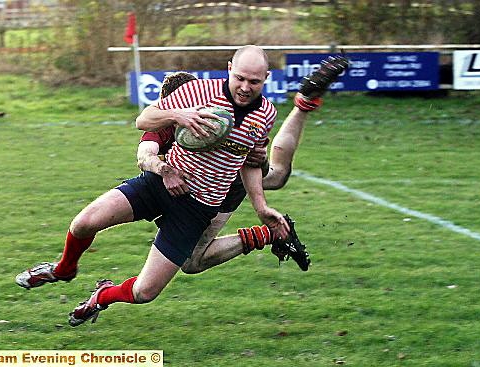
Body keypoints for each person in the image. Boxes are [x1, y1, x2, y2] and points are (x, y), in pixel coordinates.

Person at [16, 45, 294, 327]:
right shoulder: (197, 91)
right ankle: (63, 270)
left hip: (197, 209)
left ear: (266, 78)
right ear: (229, 68)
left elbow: (249, 163)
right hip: (159, 185)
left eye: (254, 82)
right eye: (240, 78)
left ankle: (102, 297)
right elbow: (143, 120)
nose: (245, 87)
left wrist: (261, 207)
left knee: (145, 292)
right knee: (84, 223)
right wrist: (178, 116)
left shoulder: (266, 115)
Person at [138, 53, 348, 275]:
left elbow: (144, 155)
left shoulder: (163, 126)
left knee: (191, 262)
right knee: (277, 175)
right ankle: (303, 105)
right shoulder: (211, 110)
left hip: (214, 187)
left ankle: (269, 234)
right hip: (226, 174)